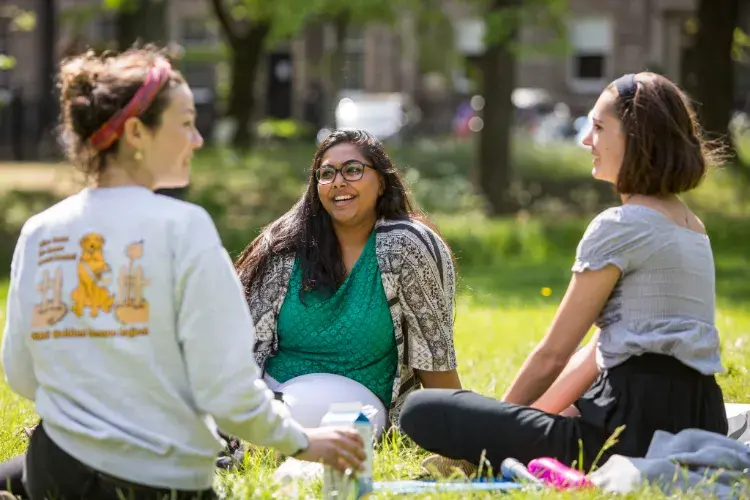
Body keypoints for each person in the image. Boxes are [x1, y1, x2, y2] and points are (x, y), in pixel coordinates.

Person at [0, 46, 365, 500]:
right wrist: (305, 441)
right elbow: (227, 390)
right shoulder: (183, 227)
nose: (198, 140)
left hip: (53, 470)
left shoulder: (41, 231)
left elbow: (20, 374)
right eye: (186, 123)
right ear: (136, 132)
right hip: (155, 478)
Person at [399, 72, 729, 472]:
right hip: (702, 419)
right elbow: (595, 353)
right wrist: (520, 426)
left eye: (598, 127)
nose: (586, 140)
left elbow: (552, 356)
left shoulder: (621, 225)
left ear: (637, 136)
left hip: (627, 432)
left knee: (421, 408)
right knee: (530, 419)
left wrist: (489, 435)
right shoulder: (692, 227)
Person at [233, 128, 462, 439]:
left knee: (295, 423)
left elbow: (434, 355)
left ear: (381, 181)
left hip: (356, 402)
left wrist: (462, 431)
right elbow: (240, 346)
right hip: (271, 391)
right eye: (326, 174)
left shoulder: (406, 246)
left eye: (353, 170)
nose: (339, 181)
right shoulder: (284, 247)